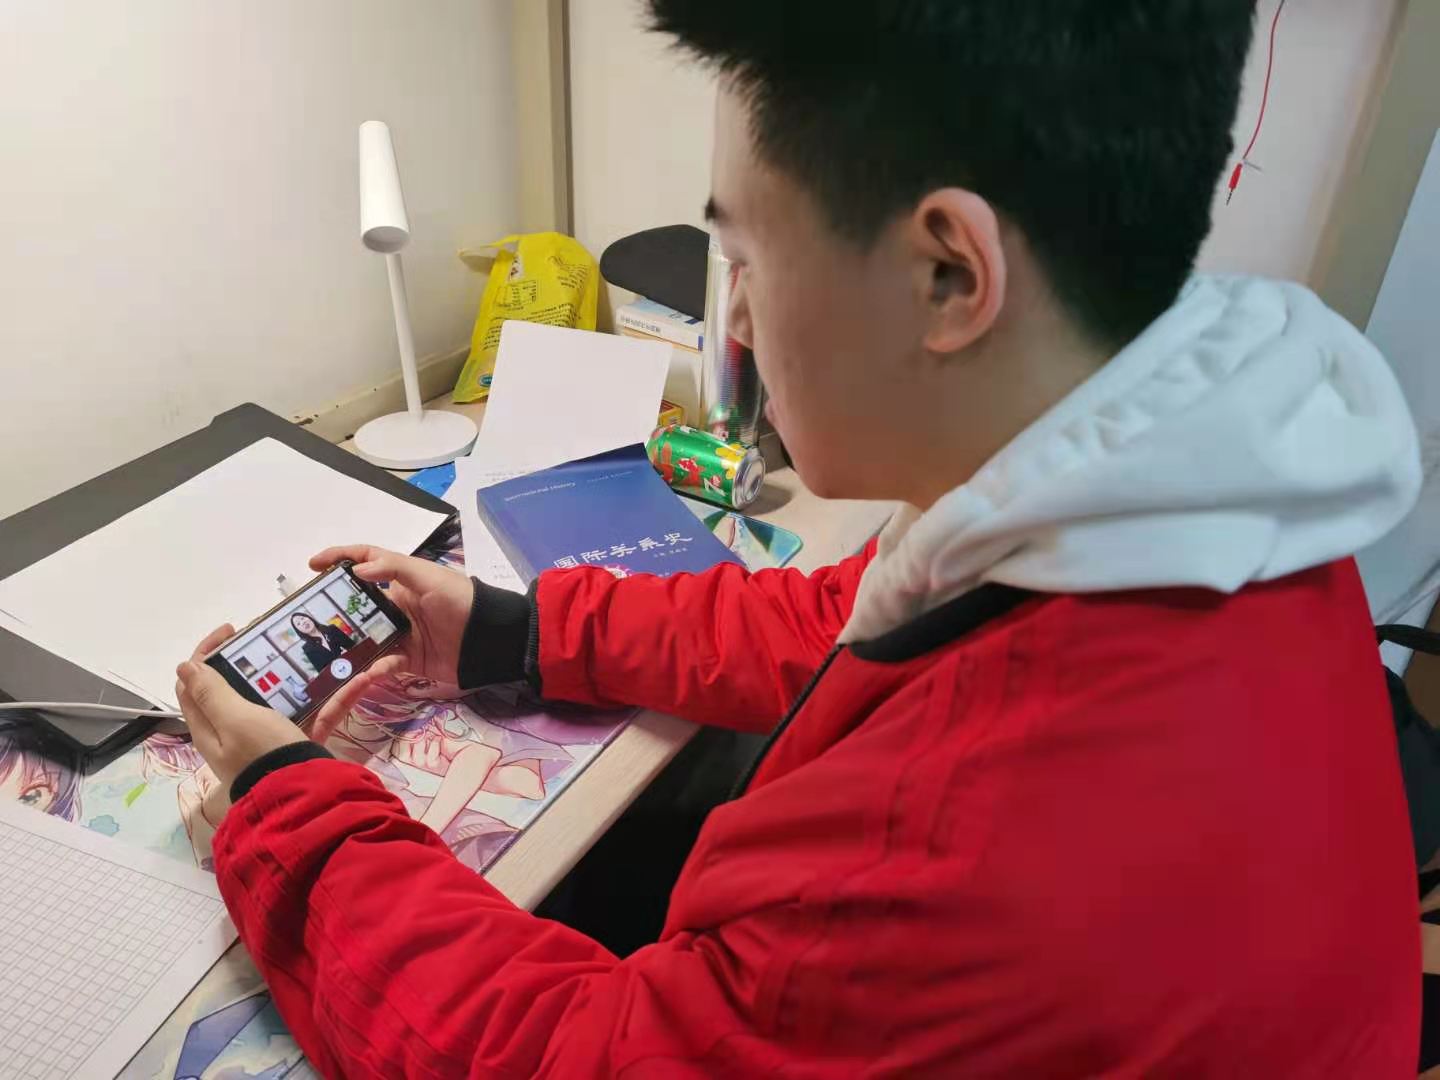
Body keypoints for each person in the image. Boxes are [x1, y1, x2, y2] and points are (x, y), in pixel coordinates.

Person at [172, 2, 1423, 1074]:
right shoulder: (1217, 496)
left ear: (949, 274)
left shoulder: (944, 865)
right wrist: (511, 629)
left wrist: (284, 808)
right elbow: (836, 620)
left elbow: (564, 1057)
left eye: (744, 255)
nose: (737, 322)